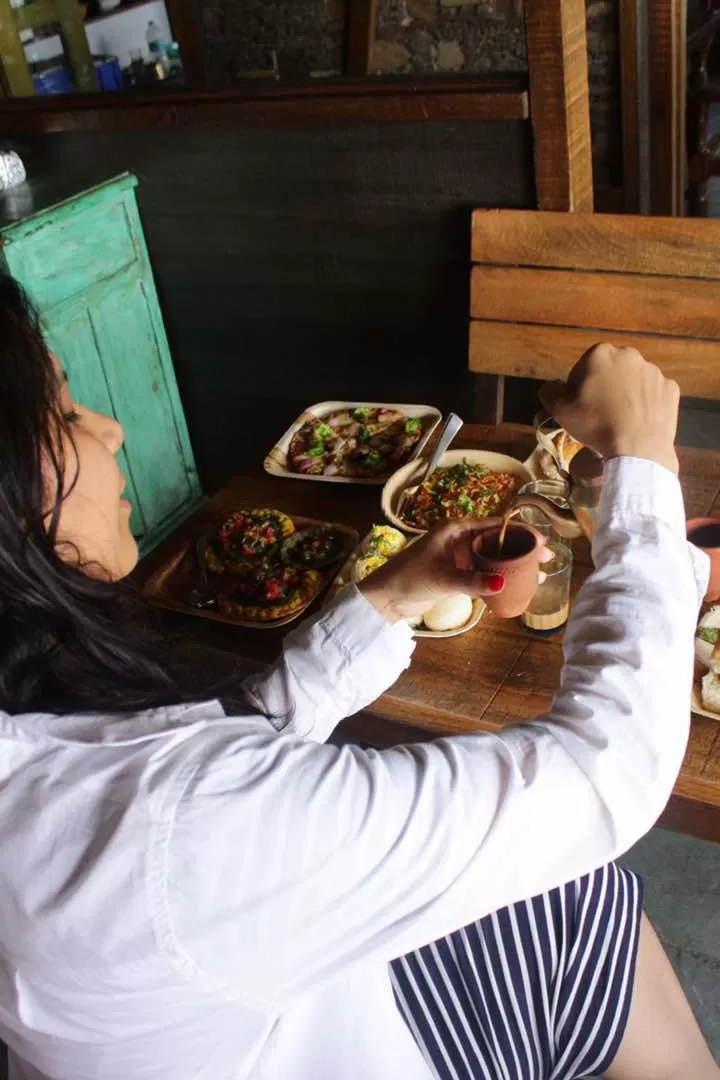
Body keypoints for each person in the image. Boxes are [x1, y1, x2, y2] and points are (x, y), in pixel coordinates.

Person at [0, 270, 716, 1080]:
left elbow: (220, 756)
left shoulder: (47, 747)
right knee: (588, 904)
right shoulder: (163, 841)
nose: (110, 430)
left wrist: (391, 597)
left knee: (575, 895)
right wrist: (643, 460)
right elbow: (603, 775)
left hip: (272, 993)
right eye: (60, 414)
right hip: (340, 1036)